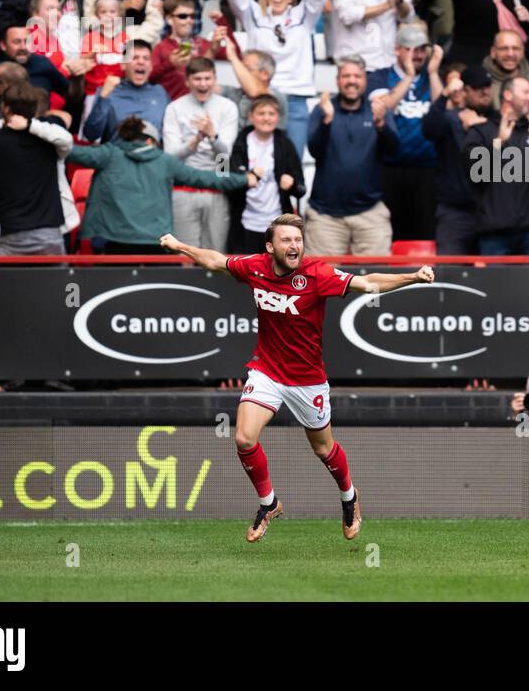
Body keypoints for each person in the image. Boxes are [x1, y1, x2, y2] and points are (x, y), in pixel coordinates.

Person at [159, 215, 435, 542]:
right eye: (287, 240)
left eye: (298, 240)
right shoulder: (254, 266)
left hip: (307, 379)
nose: (294, 246)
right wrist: (179, 246)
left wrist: (413, 277)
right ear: (270, 246)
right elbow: (215, 261)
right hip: (267, 370)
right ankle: (269, 504)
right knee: (244, 438)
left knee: (323, 449)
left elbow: (366, 283)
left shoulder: (317, 274)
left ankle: (349, 497)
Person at [71, 115, 248, 254]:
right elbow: (208, 178)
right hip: (156, 241)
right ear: (150, 141)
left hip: (115, 240)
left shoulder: (108, 154)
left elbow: (70, 151)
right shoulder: (164, 161)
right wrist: (245, 179)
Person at [221, 0, 333, 155]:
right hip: (262, 97)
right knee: (258, 159)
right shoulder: (253, 16)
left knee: (292, 162)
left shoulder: (304, 16)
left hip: (296, 99)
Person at [305, 57, 396, 255]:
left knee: (378, 282)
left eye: (357, 76)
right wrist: (326, 122)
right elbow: (314, 151)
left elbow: (393, 151)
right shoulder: (322, 109)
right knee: (321, 282)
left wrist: (382, 126)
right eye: (346, 75)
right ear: (337, 80)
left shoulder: (378, 110)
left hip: (370, 213)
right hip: (325, 216)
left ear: (365, 80)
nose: (352, 80)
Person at [461, 74, 529, 255]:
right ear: (508, 95)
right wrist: (499, 143)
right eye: (526, 92)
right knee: (493, 285)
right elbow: (474, 173)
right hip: (494, 234)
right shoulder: (481, 130)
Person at [0, 83, 71, 256]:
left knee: (0, 283)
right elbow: (65, 137)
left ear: (5, 108)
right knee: (54, 284)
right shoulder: (50, 139)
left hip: (8, 235)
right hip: (48, 235)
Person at [369, 24, 443, 242]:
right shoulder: (380, 76)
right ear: (397, 49)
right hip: (390, 168)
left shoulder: (433, 77)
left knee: (424, 234)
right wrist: (409, 77)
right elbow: (384, 108)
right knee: (393, 234)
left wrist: (433, 73)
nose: (418, 55)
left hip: (428, 169)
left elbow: (441, 114)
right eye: (411, 49)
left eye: (421, 49)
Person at [163, 57, 241, 251]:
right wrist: (195, 141)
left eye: (208, 78)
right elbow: (170, 157)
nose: (203, 84)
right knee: (185, 253)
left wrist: (213, 136)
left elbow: (225, 156)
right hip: (183, 188)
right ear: (188, 81)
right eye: (197, 79)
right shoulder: (174, 108)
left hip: (216, 187)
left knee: (216, 254)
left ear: (214, 79)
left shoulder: (227, 107)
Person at [423, 61, 497, 254]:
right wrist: (444, 94)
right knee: (449, 275)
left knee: (493, 278)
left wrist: (478, 127)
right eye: (478, 88)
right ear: (465, 91)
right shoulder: (450, 118)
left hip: (490, 210)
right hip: (454, 211)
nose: (485, 92)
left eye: (488, 87)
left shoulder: (497, 120)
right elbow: (429, 129)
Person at [226, 95, 304, 254]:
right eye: (261, 113)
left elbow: (301, 189)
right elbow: (225, 181)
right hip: (245, 224)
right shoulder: (240, 141)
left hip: (277, 225)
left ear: (278, 118)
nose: (266, 118)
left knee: (277, 275)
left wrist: (292, 185)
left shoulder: (285, 143)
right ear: (251, 116)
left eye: (271, 114)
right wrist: (246, 178)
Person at [82, 42, 172, 144]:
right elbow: (90, 135)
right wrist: (103, 97)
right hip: (117, 155)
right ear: (123, 65)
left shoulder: (160, 93)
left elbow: (171, 135)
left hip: (152, 157)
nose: (141, 62)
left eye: (146, 58)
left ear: (151, 66)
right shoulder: (108, 90)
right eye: (134, 58)